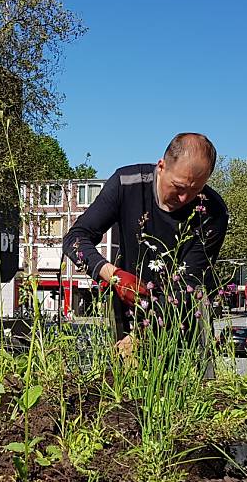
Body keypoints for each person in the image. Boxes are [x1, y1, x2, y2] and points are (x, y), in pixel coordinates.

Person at [61, 133, 229, 349]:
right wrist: (113, 275)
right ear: (161, 166)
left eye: (195, 190)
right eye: (178, 187)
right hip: (126, 316)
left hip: (184, 326)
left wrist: (141, 338)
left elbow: (188, 284)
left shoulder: (213, 213)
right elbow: (75, 239)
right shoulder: (126, 184)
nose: (184, 199)